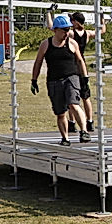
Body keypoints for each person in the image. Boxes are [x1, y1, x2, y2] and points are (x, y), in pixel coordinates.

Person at [31, 14, 89, 145]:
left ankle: (84, 131)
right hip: (54, 81)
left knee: (73, 104)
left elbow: (80, 61)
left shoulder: (72, 43)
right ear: (55, 30)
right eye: (64, 30)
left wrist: (84, 79)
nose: (67, 33)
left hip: (71, 77)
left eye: (68, 29)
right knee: (60, 112)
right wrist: (34, 80)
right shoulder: (46, 44)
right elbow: (38, 62)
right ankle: (65, 138)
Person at [69, 11, 105, 132]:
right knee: (86, 97)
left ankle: (72, 123)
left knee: (72, 98)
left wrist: (50, 14)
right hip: (83, 66)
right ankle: (90, 122)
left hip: (73, 66)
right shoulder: (87, 33)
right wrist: (101, 17)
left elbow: (52, 28)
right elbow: (102, 30)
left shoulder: (71, 34)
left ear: (75, 22)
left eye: (71, 21)